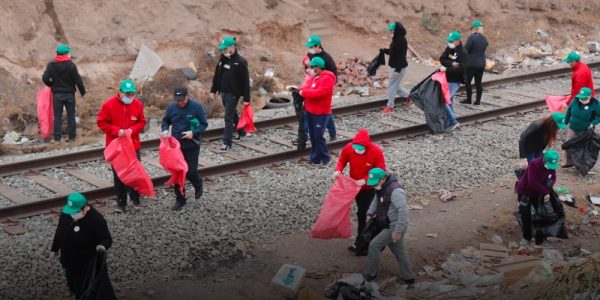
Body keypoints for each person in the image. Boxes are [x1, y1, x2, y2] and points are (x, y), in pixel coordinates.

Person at [50, 193, 115, 299]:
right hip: (70, 262)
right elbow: (60, 231)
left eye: (76, 212)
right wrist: (54, 249)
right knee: (75, 286)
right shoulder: (66, 214)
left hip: (87, 265)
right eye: (71, 212)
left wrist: (101, 246)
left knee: (94, 290)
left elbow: (106, 238)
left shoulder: (96, 219)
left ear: (85, 208)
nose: (72, 215)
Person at [333, 129, 386, 254]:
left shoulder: (376, 152)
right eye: (356, 148)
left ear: (367, 146)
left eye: (361, 149)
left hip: (368, 189)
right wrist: (338, 170)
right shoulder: (349, 148)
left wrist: (365, 180)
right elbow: (342, 160)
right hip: (353, 186)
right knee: (355, 212)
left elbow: (381, 170)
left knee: (363, 215)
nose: (358, 150)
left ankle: (362, 243)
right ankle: (363, 241)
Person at [97, 80, 147, 212]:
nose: (130, 97)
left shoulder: (137, 104)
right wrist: (116, 131)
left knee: (135, 173)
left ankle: (136, 200)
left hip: (133, 145)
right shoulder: (109, 105)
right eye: (127, 94)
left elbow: (142, 122)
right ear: (120, 92)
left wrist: (133, 130)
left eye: (132, 94)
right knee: (119, 175)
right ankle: (121, 203)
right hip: (116, 146)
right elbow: (101, 122)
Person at [362, 168, 414, 285]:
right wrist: (370, 213)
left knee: (374, 245)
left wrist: (398, 230)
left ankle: (371, 273)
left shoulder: (396, 191)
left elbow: (403, 212)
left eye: (375, 182)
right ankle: (409, 277)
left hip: (393, 226)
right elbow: (376, 201)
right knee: (399, 251)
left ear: (383, 179)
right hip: (387, 224)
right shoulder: (381, 187)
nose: (374, 185)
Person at [161, 87, 209, 210]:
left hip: (192, 144)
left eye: (182, 100)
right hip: (176, 147)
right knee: (178, 173)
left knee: (191, 171)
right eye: (178, 100)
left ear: (187, 96)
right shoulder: (172, 107)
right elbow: (165, 121)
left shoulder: (196, 107)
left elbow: (204, 124)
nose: (180, 102)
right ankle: (180, 199)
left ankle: (198, 184)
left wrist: (193, 132)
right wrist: (165, 130)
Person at [292, 35, 337, 149]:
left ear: (318, 46)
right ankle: (303, 136)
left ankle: (332, 133)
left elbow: (333, 77)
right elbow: (307, 65)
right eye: (309, 47)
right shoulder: (310, 55)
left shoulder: (327, 59)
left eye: (312, 47)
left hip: (323, 87)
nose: (310, 49)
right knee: (308, 111)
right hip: (311, 83)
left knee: (326, 112)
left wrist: (323, 86)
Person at [210, 36, 251, 151]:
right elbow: (217, 76)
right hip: (224, 92)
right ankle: (241, 132)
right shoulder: (222, 59)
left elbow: (245, 81)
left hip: (234, 93)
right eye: (222, 49)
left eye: (225, 49)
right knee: (232, 113)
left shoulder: (241, 62)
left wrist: (246, 98)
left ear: (232, 47)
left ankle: (227, 142)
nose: (223, 51)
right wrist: (213, 90)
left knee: (228, 117)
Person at [42, 44, 86, 142]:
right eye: (68, 53)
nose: (69, 54)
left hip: (57, 95)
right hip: (69, 95)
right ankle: (72, 138)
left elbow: (45, 78)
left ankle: (57, 139)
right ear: (65, 53)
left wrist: (51, 85)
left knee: (57, 116)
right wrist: (82, 91)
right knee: (71, 116)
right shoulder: (71, 65)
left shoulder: (51, 64)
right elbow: (78, 80)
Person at [515, 150, 560, 247]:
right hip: (525, 191)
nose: (550, 167)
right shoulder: (534, 164)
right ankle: (526, 238)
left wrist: (549, 185)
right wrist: (546, 192)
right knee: (525, 215)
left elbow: (553, 177)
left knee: (541, 214)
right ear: (544, 159)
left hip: (539, 191)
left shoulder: (551, 165)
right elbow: (532, 182)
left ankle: (540, 239)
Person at [298, 56, 336, 165]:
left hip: (321, 113)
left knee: (318, 136)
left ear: (318, 68)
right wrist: (298, 90)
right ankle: (315, 158)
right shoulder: (315, 77)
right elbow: (309, 88)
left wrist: (303, 93)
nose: (310, 68)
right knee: (313, 136)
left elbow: (320, 93)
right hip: (311, 111)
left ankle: (326, 158)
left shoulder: (327, 78)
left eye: (312, 66)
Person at [563, 87, 600, 167]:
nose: (582, 100)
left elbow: (599, 116)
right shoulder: (575, 100)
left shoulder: (595, 104)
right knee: (568, 143)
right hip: (573, 127)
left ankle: (581, 166)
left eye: (585, 98)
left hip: (585, 130)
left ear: (590, 96)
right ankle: (569, 161)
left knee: (581, 148)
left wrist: (593, 123)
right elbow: (569, 111)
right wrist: (565, 122)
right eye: (581, 98)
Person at [439, 31, 468, 132]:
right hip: (447, 78)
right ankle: (451, 119)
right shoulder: (449, 49)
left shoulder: (463, 53)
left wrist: (447, 68)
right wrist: (452, 64)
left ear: (458, 41)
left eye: (451, 41)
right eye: (448, 41)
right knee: (449, 100)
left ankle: (453, 122)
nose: (449, 42)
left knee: (444, 100)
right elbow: (442, 59)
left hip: (455, 80)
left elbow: (462, 69)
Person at [381, 21, 410, 113]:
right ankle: (409, 96)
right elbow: (394, 52)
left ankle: (390, 107)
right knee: (394, 85)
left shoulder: (401, 40)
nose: (391, 32)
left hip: (399, 67)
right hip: (396, 66)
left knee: (391, 86)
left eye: (392, 30)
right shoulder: (397, 38)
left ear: (397, 29)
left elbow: (401, 55)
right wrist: (385, 51)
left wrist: (398, 69)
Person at [462, 20, 488, 105]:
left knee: (468, 81)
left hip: (471, 64)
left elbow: (466, 50)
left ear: (475, 28)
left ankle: (469, 100)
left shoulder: (472, 37)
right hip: (481, 64)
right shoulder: (484, 39)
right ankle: (477, 101)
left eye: (472, 28)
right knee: (478, 83)